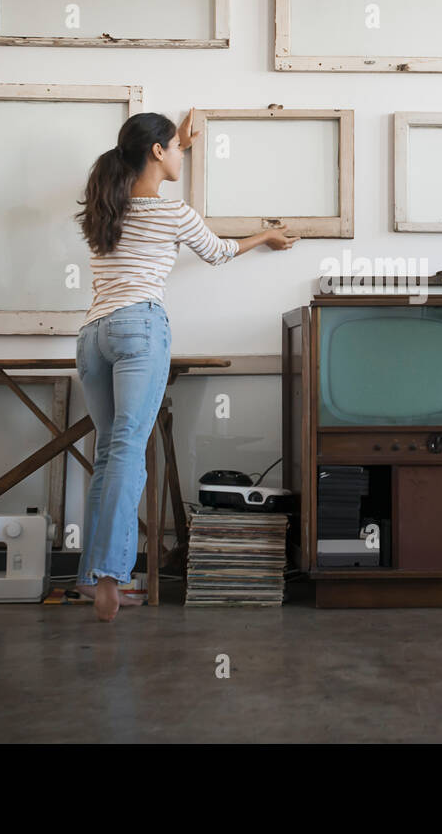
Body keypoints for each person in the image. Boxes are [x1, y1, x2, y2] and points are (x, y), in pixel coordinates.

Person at [73, 110, 295, 620]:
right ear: (156, 153)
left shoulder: (105, 208)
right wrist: (267, 235)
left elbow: (151, 176)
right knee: (130, 452)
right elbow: (217, 253)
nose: (179, 154)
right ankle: (111, 576)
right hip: (138, 329)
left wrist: (181, 143)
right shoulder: (174, 214)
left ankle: (92, 574)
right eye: (173, 148)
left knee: (109, 454)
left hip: (92, 336)